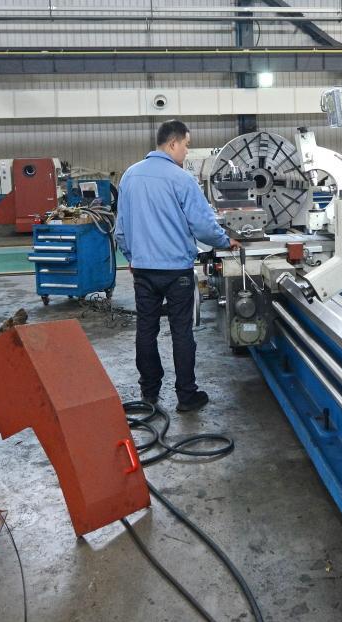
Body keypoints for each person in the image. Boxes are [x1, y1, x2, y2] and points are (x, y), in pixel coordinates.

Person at [115, 120, 241, 412]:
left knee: (146, 330)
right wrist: (225, 241)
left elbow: (120, 229)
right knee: (181, 332)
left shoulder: (130, 176)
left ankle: (149, 392)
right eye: (186, 145)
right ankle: (186, 395)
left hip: (143, 270)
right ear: (173, 144)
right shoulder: (182, 179)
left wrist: (133, 257)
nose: (187, 151)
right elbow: (203, 227)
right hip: (176, 272)